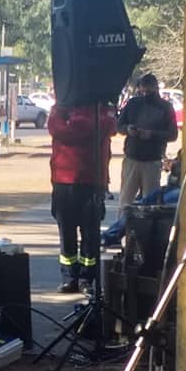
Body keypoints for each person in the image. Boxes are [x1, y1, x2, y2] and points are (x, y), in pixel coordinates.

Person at [48, 103, 116, 294]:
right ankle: (70, 277)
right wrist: (88, 125)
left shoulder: (101, 108)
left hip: (92, 181)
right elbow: (57, 129)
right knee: (66, 232)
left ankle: (87, 278)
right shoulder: (60, 108)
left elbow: (109, 126)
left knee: (90, 234)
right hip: (64, 180)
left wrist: (76, 123)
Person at [115, 73, 179, 219]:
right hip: (132, 157)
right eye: (143, 91)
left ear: (156, 89)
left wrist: (152, 134)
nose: (146, 94)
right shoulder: (133, 104)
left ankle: (148, 237)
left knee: (150, 205)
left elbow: (173, 134)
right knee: (126, 201)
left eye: (149, 91)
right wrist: (128, 130)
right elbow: (119, 125)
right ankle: (119, 233)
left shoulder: (165, 108)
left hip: (152, 159)